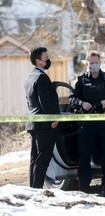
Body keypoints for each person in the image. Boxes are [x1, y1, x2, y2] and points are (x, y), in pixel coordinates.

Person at [69, 51, 105, 196]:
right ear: (87, 64)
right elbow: (72, 99)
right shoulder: (81, 80)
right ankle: (84, 189)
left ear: (100, 62)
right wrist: (82, 103)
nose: (94, 65)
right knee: (85, 156)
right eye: (91, 63)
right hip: (87, 123)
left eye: (96, 62)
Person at [25, 47, 60, 188]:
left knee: (35, 159)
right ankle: (37, 189)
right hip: (45, 125)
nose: (48, 60)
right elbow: (45, 101)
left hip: (34, 122)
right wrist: (54, 118)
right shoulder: (42, 77)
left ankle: (32, 190)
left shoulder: (30, 77)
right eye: (46, 58)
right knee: (43, 159)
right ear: (39, 61)